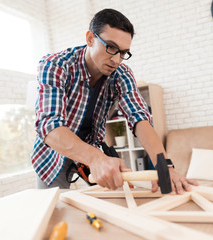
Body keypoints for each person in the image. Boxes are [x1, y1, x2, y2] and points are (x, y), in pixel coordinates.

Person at [31, 8, 197, 194]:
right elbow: (49, 125)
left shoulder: (121, 74)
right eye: (110, 46)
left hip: (92, 149)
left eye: (123, 52)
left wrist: (165, 165)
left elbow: (139, 117)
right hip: (53, 154)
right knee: (57, 210)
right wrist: (95, 159)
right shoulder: (55, 65)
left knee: (113, 201)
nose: (117, 59)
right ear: (90, 38)